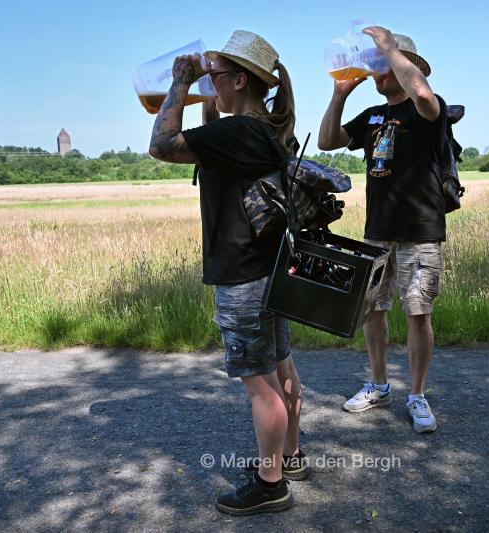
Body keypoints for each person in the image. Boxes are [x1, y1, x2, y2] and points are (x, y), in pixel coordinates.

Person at [148, 29, 307, 515]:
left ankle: (270, 485)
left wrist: (180, 82)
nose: (207, 79)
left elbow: (161, 144)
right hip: (270, 269)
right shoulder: (261, 130)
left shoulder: (239, 133)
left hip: (243, 276)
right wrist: (207, 92)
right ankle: (290, 456)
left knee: (259, 383)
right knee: (281, 367)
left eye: (215, 75)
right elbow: (210, 131)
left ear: (240, 80)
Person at [318, 28, 447, 434]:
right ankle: (378, 385)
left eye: (384, 64)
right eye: (376, 63)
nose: (378, 71)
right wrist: (340, 95)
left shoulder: (428, 108)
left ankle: (417, 394)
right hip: (377, 232)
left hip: (419, 232)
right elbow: (326, 140)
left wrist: (389, 48)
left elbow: (422, 94)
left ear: (402, 65)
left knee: (417, 314)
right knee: (373, 309)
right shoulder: (373, 115)